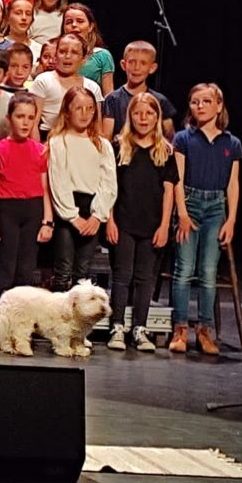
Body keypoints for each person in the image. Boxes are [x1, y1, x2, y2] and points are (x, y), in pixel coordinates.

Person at [169, 82, 242, 355]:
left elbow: (233, 184)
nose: (200, 106)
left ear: (219, 106)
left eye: (206, 101)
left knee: (209, 272)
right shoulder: (183, 138)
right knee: (184, 269)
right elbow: (176, 179)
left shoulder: (231, 143)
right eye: (195, 101)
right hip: (189, 201)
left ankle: (204, 330)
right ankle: (180, 328)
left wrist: (231, 218)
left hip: (215, 207)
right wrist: (183, 214)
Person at [105, 92, 177, 351]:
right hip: (123, 221)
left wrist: (164, 226)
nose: (143, 118)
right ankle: (117, 327)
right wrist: (110, 220)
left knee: (145, 277)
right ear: (130, 116)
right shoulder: (119, 146)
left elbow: (169, 191)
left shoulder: (165, 151)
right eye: (137, 113)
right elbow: (110, 188)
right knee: (122, 275)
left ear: (157, 117)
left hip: (152, 224)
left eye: (149, 113)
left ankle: (140, 327)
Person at [46, 87, 117, 292]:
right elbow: (58, 181)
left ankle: (77, 321)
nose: (85, 114)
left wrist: (97, 216)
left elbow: (109, 183)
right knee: (63, 269)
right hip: (67, 211)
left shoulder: (103, 145)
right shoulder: (58, 142)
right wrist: (72, 216)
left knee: (82, 271)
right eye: (79, 108)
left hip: (93, 208)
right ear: (67, 111)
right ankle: (58, 321)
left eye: (90, 109)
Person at [0, 92, 52, 305]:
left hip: (33, 210)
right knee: (6, 264)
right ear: (9, 118)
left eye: (30, 117)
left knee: (26, 266)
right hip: (7, 210)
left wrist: (47, 221)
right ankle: (2, 315)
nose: (25, 122)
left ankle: (23, 317)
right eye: (20, 116)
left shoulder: (40, 151)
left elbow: (45, 187)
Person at [101, 40, 177, 140]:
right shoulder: (112, 100)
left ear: (152, 68)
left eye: (143, 63)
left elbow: (169, 138)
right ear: (124, 65)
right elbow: (107, 139)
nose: (136, 68)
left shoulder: (160, 100)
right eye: (132, 62)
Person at [30, 33, 103, 134]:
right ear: (56, 55)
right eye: (62, 52)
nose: (67, 56)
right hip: (48, 139)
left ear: (84, 59)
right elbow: (33, 124)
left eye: (74, 52)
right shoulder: (43, 81)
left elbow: (97, 127)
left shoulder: (92, 87)